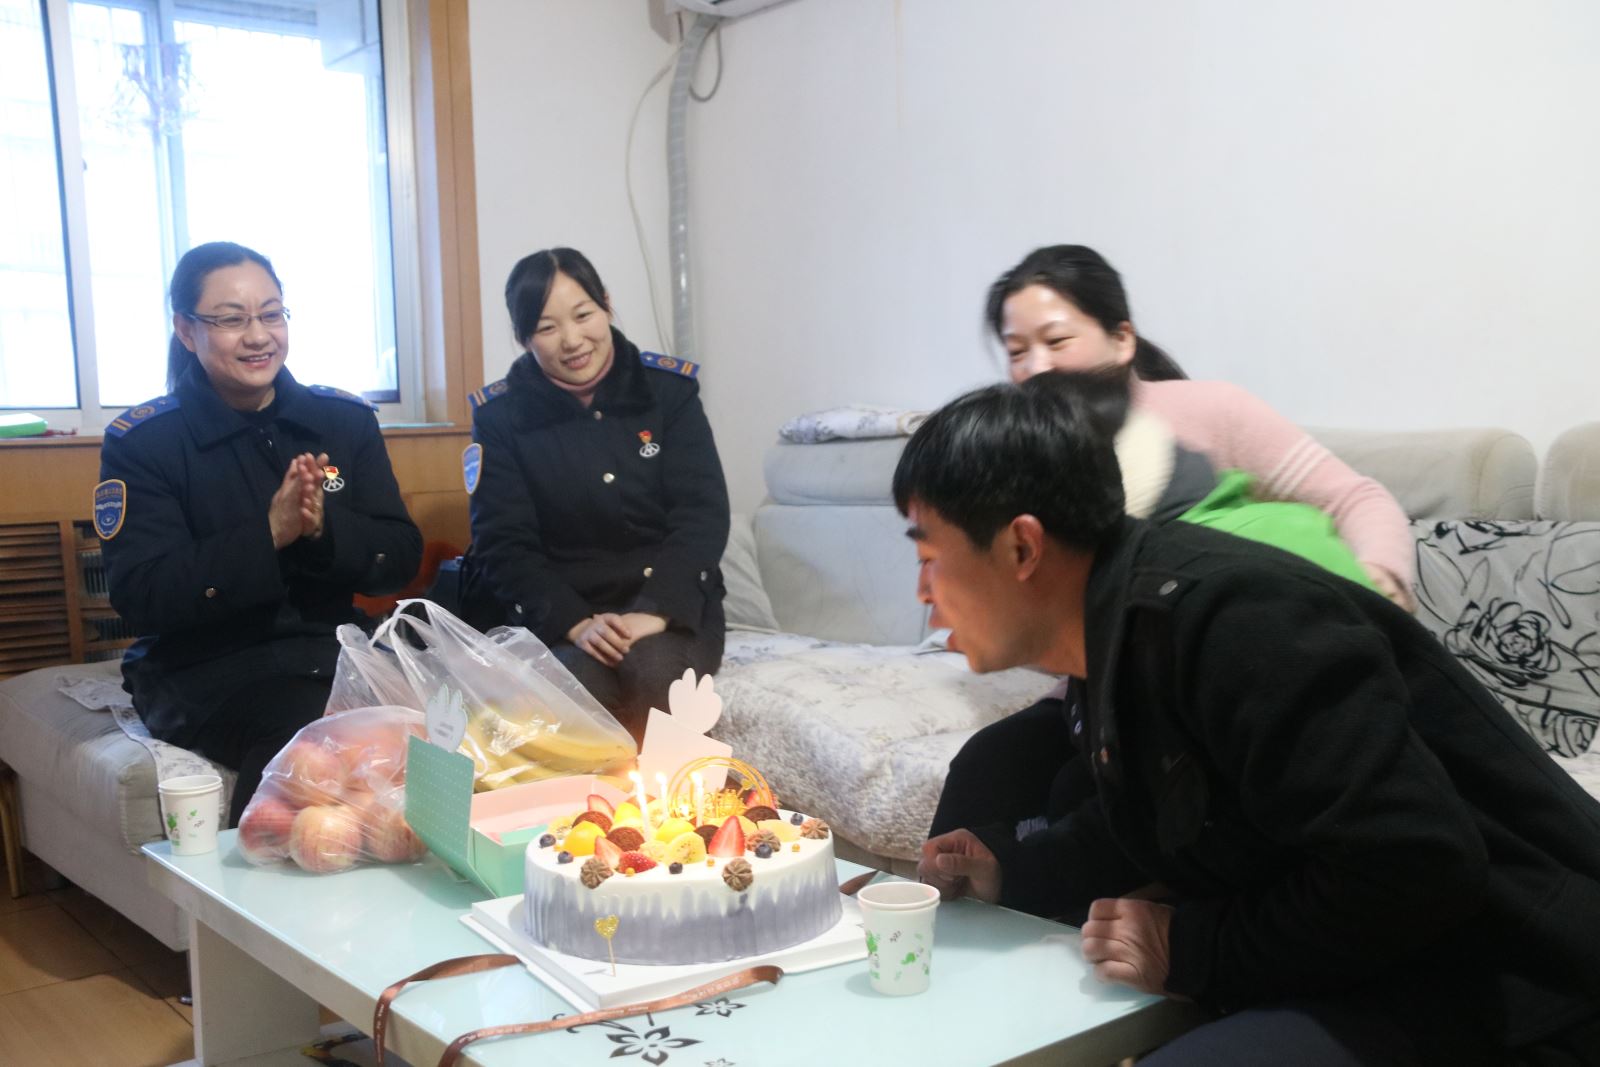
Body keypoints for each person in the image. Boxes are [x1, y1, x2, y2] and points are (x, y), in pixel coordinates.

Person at [903, 374, 1600, 1066]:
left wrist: (1192, 948)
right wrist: (1013, 867)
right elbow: (1173, 814)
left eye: (930, 558)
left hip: (1515, 975)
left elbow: (1419, 867)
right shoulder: (1110, 630)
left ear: (1022, 548)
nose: (921, 593)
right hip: (1389, 948)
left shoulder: (1239, 622)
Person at [97, 241, 422, 825]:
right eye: (231, 320)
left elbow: (398, 558)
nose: (258, 336)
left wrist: (322, 532)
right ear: (186, 330)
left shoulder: (342, 422)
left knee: (451, 723)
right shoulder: (147, 443)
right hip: (206, 668)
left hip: (334, 652)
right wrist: (268, 534)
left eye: (271, 315)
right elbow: (142, 594)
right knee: (313, 744)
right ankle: (255, 875)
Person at [989, 244, 1414, 607]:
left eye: (1057, 341)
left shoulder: (1212, 410)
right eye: (1016, 352)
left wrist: (1380, 579)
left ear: (1121, 340)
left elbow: (1356, 499)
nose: (1036, 368)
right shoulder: (1016, 454)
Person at [465, 247, 729, 741]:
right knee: (574, 694)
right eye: (546, 327)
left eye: (583, 315)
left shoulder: (668, 392)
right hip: (568, 611)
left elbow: (702, 514)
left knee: (656, 673)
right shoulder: (501, 417)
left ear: (606, 304)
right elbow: (503, 543)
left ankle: (686, 793)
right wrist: (574, 623)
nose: (572, 340)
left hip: (667, 603)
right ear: (523, 337)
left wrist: (656, 609)